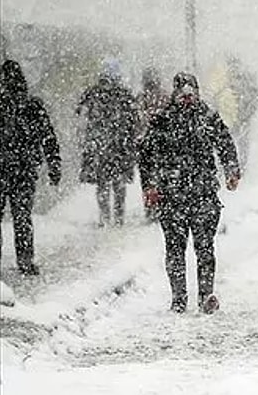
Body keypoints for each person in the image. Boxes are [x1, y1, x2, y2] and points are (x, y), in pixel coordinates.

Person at [139, 72, 240, 314]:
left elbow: (225, 143)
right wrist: (150, 186)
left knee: (205, 248)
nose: (187, 97)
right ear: (175, 94)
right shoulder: (163, 121)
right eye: (183, 92)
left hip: (203, 193)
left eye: (191, 92)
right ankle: (179, 299)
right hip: (172, 196)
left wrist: (232, 170)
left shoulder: (207, 117)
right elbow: (146, 155)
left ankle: (206, 296)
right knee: (175, 250)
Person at [0, 59, 61, 276]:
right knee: (22, 217)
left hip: (2, 169)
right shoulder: (33, 106)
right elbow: (48, 138)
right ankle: (25, 260)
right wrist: (54, 164)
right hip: (24, 170)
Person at [76, 59, 139, 227]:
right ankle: (118, 217)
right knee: (118, 183)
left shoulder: (93, 93)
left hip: (100, 145)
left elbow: (80, 112)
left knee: (103, 182)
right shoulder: (124, 94)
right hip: (119, 145)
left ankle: (105, 216)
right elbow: (133, 119)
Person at [136, 66, 169, 223]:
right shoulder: (165, 98)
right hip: (163, 145)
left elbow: (135, 122)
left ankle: (150, 207)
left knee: (147, 177)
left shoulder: (141, 99)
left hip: (145, 145)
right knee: (162, 176)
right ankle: (161, 206)